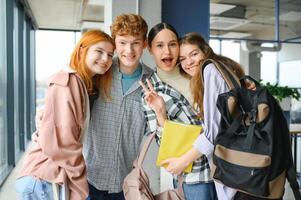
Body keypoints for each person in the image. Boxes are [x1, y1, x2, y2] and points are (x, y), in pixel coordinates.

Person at [15, 30, 115, 200]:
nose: (105, 59)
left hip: (49, 178)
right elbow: (63, 143)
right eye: (99, 51)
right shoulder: (67, 82)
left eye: (110, 55)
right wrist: (80, 183)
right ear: (82, 50)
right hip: (44, 179)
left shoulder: (82, 84)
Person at [139, 23, 217, 200]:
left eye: (172, 44)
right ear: (150, 49)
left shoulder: (196, 72)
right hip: (194, 176)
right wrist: (161, 114)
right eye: (159, 45)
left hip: (223, 169)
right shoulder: (151, 89)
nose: (167, 51)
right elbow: (165, 144)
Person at [165, 32, 246, 199]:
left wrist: (182, 162)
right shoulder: (220, 71)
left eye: (194, 54)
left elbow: (212, 133)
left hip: (233, 167)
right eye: (182, 59)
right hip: (240, 164)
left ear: (205, 51)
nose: (188, 62)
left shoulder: (210, 70)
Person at [83, 14, 153, 200]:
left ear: (144, 44)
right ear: (114, 44)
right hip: (89, 178)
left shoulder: (154, 82)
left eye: (135, 43)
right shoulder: (98, 74)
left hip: (125, 182)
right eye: (122, 43)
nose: (129, 50)